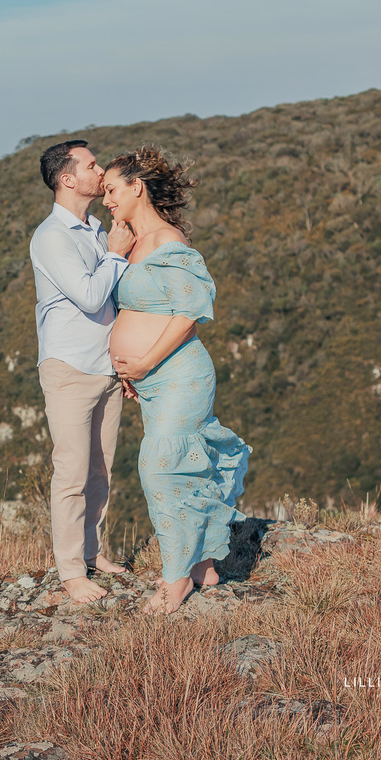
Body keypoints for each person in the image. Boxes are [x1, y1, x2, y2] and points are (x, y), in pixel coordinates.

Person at [102, 145, 251, 615]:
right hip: (150, 381)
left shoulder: (170, 243)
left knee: (161, 469)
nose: (105, 200)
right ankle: (204, 562)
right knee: (183, 466)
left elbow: (190, 313)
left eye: (110, 190)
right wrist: (135, 370)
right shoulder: (133, 243)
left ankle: (175, 581)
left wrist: (144, 362)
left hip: (178, 374)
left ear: (135, 187)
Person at [30, 140, 136, 604]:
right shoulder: (51, 236)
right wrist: (116, 251)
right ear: (67, 179)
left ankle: (93, 553)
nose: (100, 171)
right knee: (70, 472)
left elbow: (114, 302)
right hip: (69, 367)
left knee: (101, 469)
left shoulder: (94, 228)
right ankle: (72, 572)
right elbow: (92, 296)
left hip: (106, 367)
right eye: (91, 165)